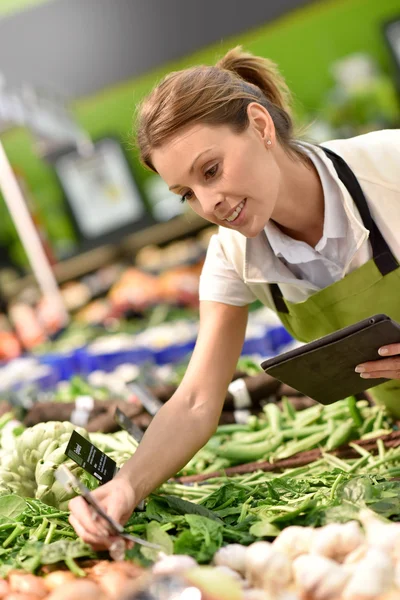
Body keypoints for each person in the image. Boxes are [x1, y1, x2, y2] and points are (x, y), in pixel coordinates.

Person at [69, 46, 400, 546]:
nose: (210, 204)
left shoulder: (390, 169)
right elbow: (198, 400)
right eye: (186, 194)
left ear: (261, 126)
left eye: (211, 171)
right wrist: (125, 487)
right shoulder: (233, 257)